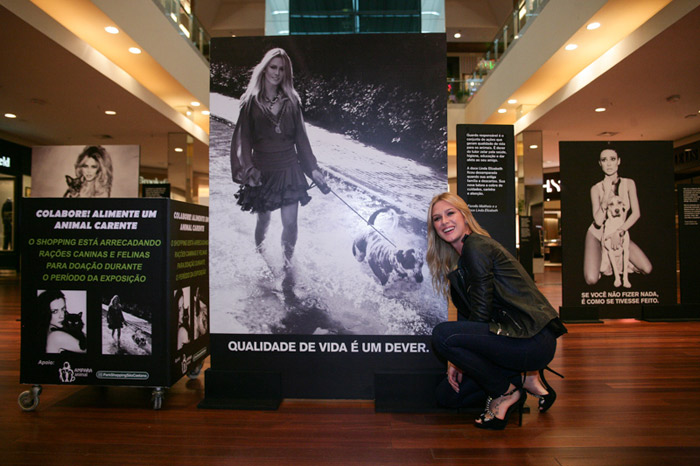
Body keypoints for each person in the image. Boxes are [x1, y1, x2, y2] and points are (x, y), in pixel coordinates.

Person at [427, 192, 567, 430]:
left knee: (442, 335)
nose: (444, 221)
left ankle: (506, 392)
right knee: (447, 396)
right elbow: (472, 316)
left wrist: (457, 350)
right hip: (508, 339)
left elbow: (480, 311)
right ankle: (525, 381)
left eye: (450, 213)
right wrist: (458, 360)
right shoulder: (461, 260)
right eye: (437, 218)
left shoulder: (476, 246)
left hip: (531, 339)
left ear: (464, 215)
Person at [230, 47, 328, 269]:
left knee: (291, 223)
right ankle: (261, 256)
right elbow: (242, 140)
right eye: (273, 67)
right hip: (263, 169)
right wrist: (248, 169)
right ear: (264, 69)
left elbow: (301, 139)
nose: (277, 73)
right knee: (263, 220)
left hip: (289, 169)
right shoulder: (250, 102)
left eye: (282, 69)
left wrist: (313, 169)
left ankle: (286, 265)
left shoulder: (292, 101)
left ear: (286, 73)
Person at [583, 148, 652, 285]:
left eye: (612, 159)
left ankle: (623, 265)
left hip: (619, 232)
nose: (608, 164)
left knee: (647, 268)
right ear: (600, 163)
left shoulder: (629, 183)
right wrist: (606, 194)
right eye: (604, 160)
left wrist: (619, 231)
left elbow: (636, 213)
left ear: (618, 161)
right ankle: (604, 263)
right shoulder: (595, 189)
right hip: (596, 235)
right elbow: (598, 221)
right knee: (591, 279)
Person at [38, 290, 86, 354]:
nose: (62, 316)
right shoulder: (55, 336)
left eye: (63, 309)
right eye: (55, 311)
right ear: (45, 313)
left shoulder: (48, 333)